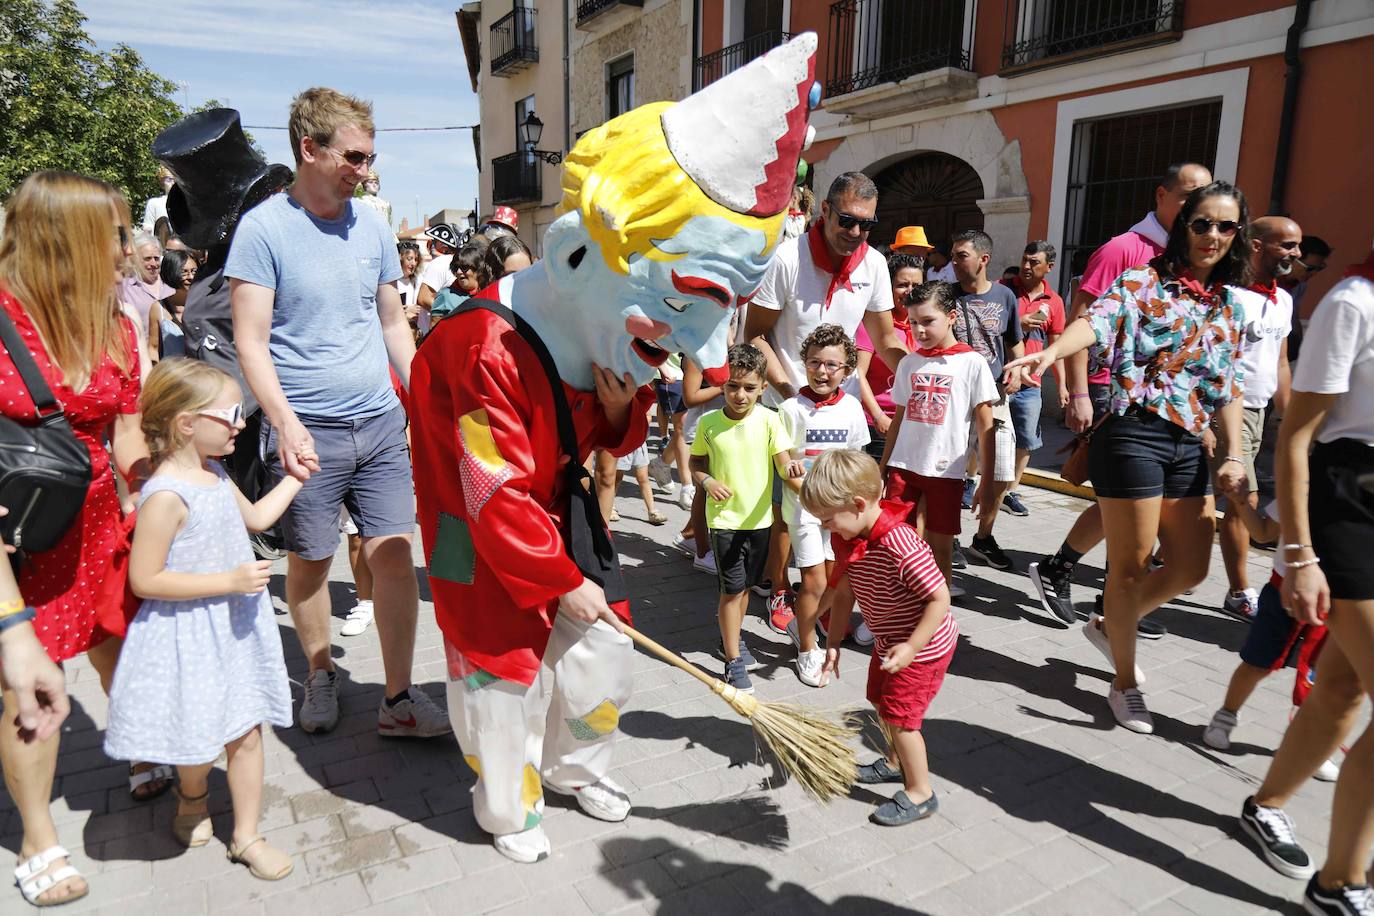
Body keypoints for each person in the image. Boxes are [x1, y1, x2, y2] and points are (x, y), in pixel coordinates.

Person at [409, 33, 820, 863]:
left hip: (550, 514)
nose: (702, 350)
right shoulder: (482, 345)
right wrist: (559, 582)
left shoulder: (600, 332)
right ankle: (506, 800)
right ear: (571, 254)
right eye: (682, 299)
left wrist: (618, 408)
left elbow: (599, 439)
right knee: (499, 672)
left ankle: (573, 766)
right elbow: (489, 491)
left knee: (604, 650)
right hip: (469, 524)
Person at [227, 86, 448, 737]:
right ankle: (320, 674)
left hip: (380, 424)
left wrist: (424, 401)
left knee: (395, 552)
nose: (365, 169)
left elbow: (393, 325)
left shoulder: (374, 226)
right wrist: (286, 423)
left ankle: (398, 698)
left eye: (370, 157)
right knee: (312, 560)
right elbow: (249, 342)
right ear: (309, 149)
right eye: (354, 156)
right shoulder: (264, 229)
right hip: (308, 433)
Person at [1005, 180, 1252, 734]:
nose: (1212, 235)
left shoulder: (1230, 304)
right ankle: (1124, 683)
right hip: (1134, 433)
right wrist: (1048, 354)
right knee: (1131, 564)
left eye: (1225, 226)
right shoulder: (1144, 280)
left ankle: (1111, 621)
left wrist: (1234, 452)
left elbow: (1228, 386)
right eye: (1202, 222)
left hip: (1190, 441)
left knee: (1191, 566)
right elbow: (1094, 322)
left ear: (1237, 235)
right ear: (1183, 226)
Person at [0, 171, 152, 908]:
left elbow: (123, 429)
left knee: (114, 637)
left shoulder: (113, 321)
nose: (128, 248)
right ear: (71, 242)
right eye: (116, 234)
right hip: (19, 536)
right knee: (30, 685)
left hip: (96, 521)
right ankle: (37, 836)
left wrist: (163, 496)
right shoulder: (2, 321)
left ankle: (133, 746)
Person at [107, 360, 303, 880]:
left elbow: (258, 519)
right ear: (187, 423)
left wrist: (296, 479)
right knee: (197, 734)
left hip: (235, 629)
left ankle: (246, 835)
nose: (241, 424)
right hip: (189, 632)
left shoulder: (214, 472)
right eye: (233, 414)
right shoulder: (166, 496)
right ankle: (192, 797)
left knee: (246, 730)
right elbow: (145, 580)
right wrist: (229, 582)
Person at [1029, 161, 1212, 631]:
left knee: (1128, 498)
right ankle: (1105, 590)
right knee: (1128, 496)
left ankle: (1092, 583)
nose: (1198, 206)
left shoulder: (1190, 255)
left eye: (1205, 196)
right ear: (1161, 196)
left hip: (1163, 399)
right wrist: (1076, 392)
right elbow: (1082, 317)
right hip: (1111, 389)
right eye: (1189, 195)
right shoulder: (1125, 249)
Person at [1255, 245, 1374, 915]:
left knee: (1345, 685)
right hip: (1347, 501)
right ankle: (1341, 884)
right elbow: (1298, 436)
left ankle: (1264, 803)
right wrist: (1298, 555)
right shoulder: (1355, 302)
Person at [745, 170, 907, 627]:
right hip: (787, 403)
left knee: (838, 508)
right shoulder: (787, 259)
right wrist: (788, 392)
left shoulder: (873, 265)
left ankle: (823, 594)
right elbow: (756, 334)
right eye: (847, 220)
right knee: (786, 507)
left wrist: (922, 369)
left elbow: (885, 336)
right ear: (825, 211)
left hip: (842, 411)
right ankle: (778, 589)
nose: (855, 232)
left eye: (866, 224)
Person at [808, 449, 956, 827]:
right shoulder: (851, 535)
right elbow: (844, 593)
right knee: (877, 699)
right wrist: (834, 645)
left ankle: (921, 792)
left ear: (857, 505)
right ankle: (894, 763)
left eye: (828, 520)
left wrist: (912, 646)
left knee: (903, 719)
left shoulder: (899, 543)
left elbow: (940, 598)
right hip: (890, 640)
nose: (828, 529)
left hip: (922, 646)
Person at [1200, 494, 1341, 782]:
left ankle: (1310, 741)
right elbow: (1263, 532)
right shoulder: (1306, 483)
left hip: (1340, 601)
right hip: (1286, 591)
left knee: (1319, 675)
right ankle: (1227, 714)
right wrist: (1239, 501)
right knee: (1257, 663)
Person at [690, 344, 798, 693]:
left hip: (761, 523)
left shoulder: (770, 419)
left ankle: (729, 638)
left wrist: (793, 469)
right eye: (732, 386)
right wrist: (706, 481)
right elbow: (695, 464)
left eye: (749, 387)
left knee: (747, 588)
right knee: (730, 590)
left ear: (763, 387)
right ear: (722, 386)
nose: (740, 394)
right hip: (724, 522)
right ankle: (733, 660)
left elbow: (783, 462)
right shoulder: (708, 423)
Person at [880, 281, 998, 594]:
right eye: (914, 322)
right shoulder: (909, 363)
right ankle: (895, 609)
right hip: (904, 467)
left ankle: (936, 620)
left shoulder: (972, 362)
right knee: (895, 544)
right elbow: (899, 419)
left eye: (928, 321)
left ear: (951, 317)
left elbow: (986, 426)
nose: (919, 331)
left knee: (940, 549)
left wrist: (986, 480)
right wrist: (883, 465)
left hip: (946, 472)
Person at [1213, 216, 1299, 622]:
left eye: (1297, 246)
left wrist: (1290, 422)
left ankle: (1161, 560)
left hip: (1260, 411)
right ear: (1258, 246)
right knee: (1242, 503)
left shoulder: (1283, 299)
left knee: (1212, 501)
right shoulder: (1228, 296)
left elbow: (1280, 364)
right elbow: (1214, 365)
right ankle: (1237, 592)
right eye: (1287, 245)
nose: (1296, 254)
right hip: (1226, 412)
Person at [777, 325, 870, 685]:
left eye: (832, 365)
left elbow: (857, 461)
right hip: (804, 511)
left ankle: (802, 622)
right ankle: (806, 647)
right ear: (804, 363)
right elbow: (783, 463)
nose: (822, 371)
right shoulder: (789, 409)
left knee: (836, 580)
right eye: (815, 362)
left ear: (847, 370)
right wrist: (812, 496)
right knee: (814, 582)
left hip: (840, 515)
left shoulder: (851, 408)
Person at [948, 229, 1023, 571]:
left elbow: (1014, 344)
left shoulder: (1006, 297)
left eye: (961, 255)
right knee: (948, 473)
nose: (954, 261)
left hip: (995, 397)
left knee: (1003, 471)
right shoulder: (946, 295)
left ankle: (983, 538)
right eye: (953, 255)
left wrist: (1017, 371)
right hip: (954, 399)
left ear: (983, 259)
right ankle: (947, 539)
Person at [1003, 241, 1066, 518]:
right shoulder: (1004, 289)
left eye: (1034, 262)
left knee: (1026, 438)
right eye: (1025, 260)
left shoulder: (1055, 302)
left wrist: (1062, 385)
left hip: (1032, 384)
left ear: (1049, 267)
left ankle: (1011, 490)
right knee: (980, 436)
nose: (1027, 266)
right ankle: (970, 481)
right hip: (1001, 377)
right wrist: (1021, 321)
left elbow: (1057, 348)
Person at [856, 253, 921, 458]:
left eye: (917, 285)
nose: (910, 292)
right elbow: (858, 374)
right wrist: (878, 416)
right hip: (877, 425)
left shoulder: (926, 326)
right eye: (902, 285)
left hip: (914, 423)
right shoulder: (874, 324)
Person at [674, 356, 730, 571]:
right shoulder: (696, 353)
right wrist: (726, 386)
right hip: (703, 426)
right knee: (704, 490)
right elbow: (690, 397)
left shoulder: (729, 347)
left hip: (723, 425)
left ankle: (691, 537)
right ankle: (702, 552)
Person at [1281, 234, 1333, 365]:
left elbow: (1294, 317)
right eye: (1310, 268)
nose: (1314, 274)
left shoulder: (1300, 285)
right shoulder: (1270, 283)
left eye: (1319, 268)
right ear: (1293, 259)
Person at [428, 239, 488, 324]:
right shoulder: (445, 296)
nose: (459, 272)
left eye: (464, 267)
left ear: (478, 269)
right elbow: (434, 333)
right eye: (456, 268)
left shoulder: (488, 293)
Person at [156, 248, 198, 359]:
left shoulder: (204, 303)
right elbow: (153, 348)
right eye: (184, 272)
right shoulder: (159, 308)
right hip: (172, 373)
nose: (191, 277)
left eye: (194, 271)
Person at [416, 223, 460, 315]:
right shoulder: (441, 262)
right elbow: (424, 298)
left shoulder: (441, 262)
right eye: (444, 250)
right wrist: (453, 317)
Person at [395, 241, 423, 334]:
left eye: (416, 259)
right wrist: (406, 309)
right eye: (410, 259)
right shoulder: (392, 283)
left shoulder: (416, 281)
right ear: (400, 259)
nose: (413, 263)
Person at [141, 166, 174, 232]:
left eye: (176, 180)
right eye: (169, 180)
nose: (173, 183)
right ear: (162, 182)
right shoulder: (154, 203)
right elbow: (148, 229)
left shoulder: (187, 203)